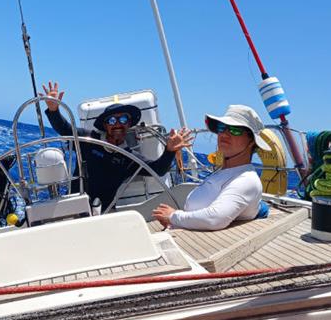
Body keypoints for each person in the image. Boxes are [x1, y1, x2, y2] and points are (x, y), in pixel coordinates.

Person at [40, 81, 192, 211]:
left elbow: (158, 169)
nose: (118, 124)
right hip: (72, 206)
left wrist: (170, 150)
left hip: (104, 213)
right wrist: (54, 110)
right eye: (112, 120)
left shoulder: (129, 158)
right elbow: (64, 129)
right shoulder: (89, 139)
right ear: (105, 125)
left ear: (129, 124)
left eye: (123, 119)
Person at [151, 105, 267, 231]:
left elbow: (214, 219)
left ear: (252, 142)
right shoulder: (224, 173)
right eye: (222, 128)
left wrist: (173, 216)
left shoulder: (246, 180)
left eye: (235, 130)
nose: (225, 134)